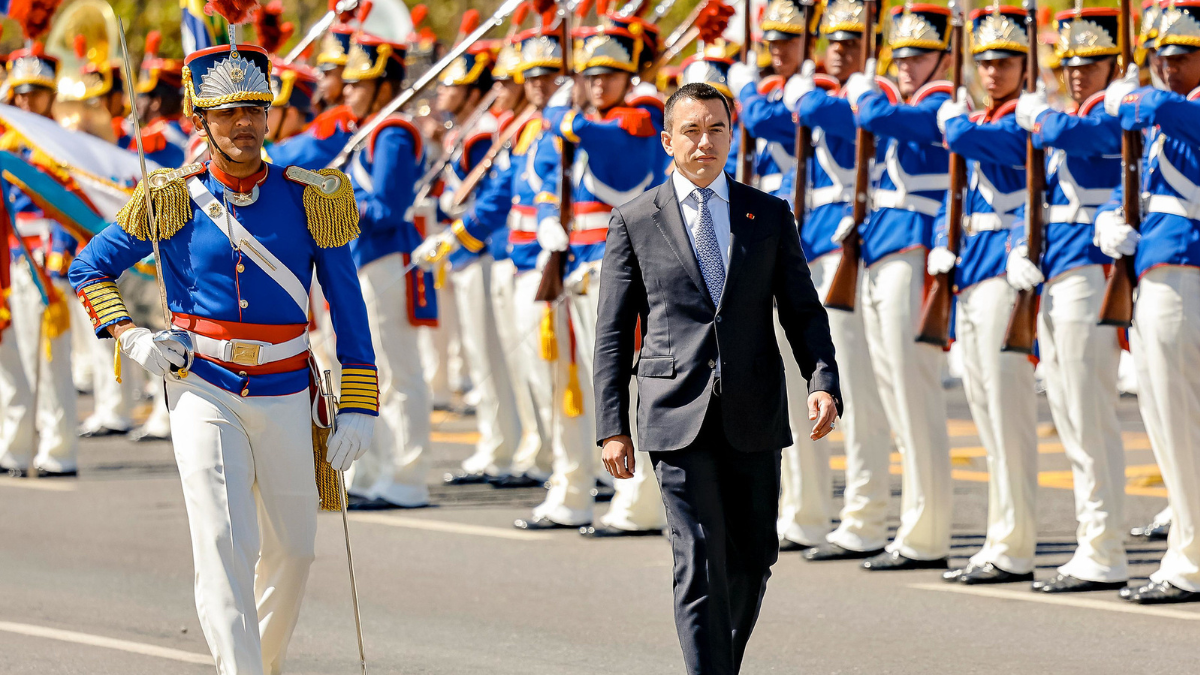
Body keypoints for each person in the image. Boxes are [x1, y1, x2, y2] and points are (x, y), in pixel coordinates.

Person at [68, 23, 377, 671]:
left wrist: (359, 404)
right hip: (202, 385)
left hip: (290, 389)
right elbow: (88, 269)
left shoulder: (313, 196)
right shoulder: (171, 196)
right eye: (228, 112)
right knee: (225, 542)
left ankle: (256, 661)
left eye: (255, 109)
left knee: (295, 550)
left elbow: (349, 310)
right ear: (199, 120)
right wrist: (131, 336)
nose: (244, 123)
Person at [594, 82, 841, 675]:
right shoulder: (634, 219)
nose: (705, 143)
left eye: (717, 130)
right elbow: (612, 330)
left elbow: (803, 310)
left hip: (754, 409)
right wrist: (613, 426)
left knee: (754, 558)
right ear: (668, 141)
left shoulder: (768, 214)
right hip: (673, 410)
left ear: (732, 137)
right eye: (691, 131)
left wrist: (822, 380)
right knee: (700, 555)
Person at [739, 0, 894, 555]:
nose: (778, 50)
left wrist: (755, 93)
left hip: (838, 247)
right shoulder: (806, 90)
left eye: (850, 43)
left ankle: (866, 515)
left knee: (848, 387)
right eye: (833, 42)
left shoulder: (858, 96)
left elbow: (768, 119)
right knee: (793, 388)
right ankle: (804, 511)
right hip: (792, 247)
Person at [813, 1, 955, 566]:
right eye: (901, 55)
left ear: (944, 59)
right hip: (878, 243)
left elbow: (880, 119)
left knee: (912, 397)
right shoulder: (896, 99)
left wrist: (869, 94)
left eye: (919, 56)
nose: (906, 66)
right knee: (882, 394)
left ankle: (925, 533)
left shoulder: (945, 104)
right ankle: (885, 522)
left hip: (914, 245)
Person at [520, 7, 668, 530]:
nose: (598, 83)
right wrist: (544, 219)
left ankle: (638, 499)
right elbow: (541, 171)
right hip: (573, 263)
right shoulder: (579, 121)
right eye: (590, 74)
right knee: (570, 384)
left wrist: (565, 119)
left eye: (608, 74)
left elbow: (620, 153)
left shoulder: (639, 115)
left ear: (630, 75)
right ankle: (573, 486)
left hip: (619, 267)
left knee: (624, 383)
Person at [1012, 7, 1128, 593]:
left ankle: (1105, 547)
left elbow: (1094, 138)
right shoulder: (1068, 113)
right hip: (1057, 270)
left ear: (1114, 64)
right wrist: (1019, 247)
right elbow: (1043, 197)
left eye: (1092, 64)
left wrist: (1043, 118)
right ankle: (1093, 542)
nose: (1078, 74)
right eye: (1071, 65)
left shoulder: (1114, 111)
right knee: (1069, 415)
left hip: (1091, 272)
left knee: (1089, 414)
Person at [1096, 0, 1200, 604]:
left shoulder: (1174, 109)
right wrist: (1115, 216)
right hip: (1160, 272)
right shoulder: (1168, 116)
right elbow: (1139, 178)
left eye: (1182, 55)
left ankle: (1191, 560)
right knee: (1168, 427)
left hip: (1185, 274)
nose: (1167, 67)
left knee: (1181, 427)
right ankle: (1186, 546)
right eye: (1161, 56)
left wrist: (1132, 96)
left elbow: (1159, 108)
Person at [933, 4, 1039, 583]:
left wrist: (955, 125)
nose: (993, 72)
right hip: (973, 266)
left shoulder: (1022, 117)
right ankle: (1001, 538)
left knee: (1007, 413)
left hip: (1005, 270)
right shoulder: (983, 112)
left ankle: (1015, 543)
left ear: (1025, 65)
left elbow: (993, 150)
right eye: (986, 62)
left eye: (1006, 62)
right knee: (984, 414)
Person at [340, 30, 436, 510]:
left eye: (358, 84)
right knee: (368, 374)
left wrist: (332, 202)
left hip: (386, 259)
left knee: (398, 374)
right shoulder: (367, 131)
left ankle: (408, 477)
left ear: (383, 86)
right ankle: (374, 471)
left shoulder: (393, 132)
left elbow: (387, 207)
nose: (347, 91)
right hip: (364, 259)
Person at [0, 42, 79, 478]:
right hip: (11, 261)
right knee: (11, 363)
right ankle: (13, 448)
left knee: (51, 361)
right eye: (21, 92)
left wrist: (57, 258)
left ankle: (58, 451)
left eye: (36, 92)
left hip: (45, 263)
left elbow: (70, 205)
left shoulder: (58, 143)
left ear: (50, 96)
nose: (27, 100)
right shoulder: (6, 142)